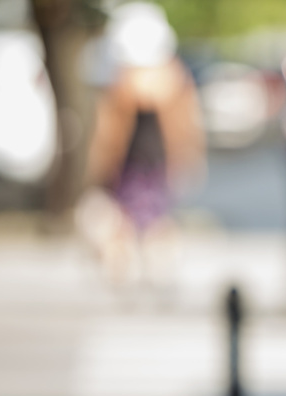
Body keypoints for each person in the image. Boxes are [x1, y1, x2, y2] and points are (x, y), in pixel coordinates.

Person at [79, 2, 204, 285]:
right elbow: (187, 125)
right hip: (154, 163)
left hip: (132, 164)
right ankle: (152, 270)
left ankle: (129, 271)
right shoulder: (173, 77)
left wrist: (98, 168)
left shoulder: (119, 81)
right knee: (154, 219)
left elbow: (109, 133)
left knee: (127, 220)